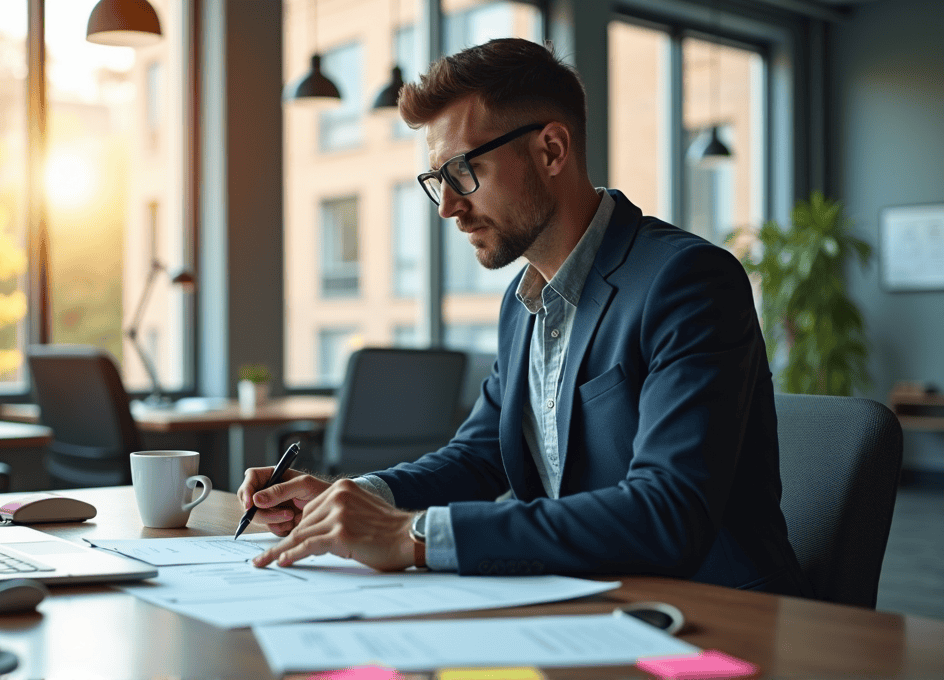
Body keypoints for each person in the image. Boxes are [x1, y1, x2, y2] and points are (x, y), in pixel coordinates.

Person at [241, 37, 810, 596]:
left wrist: (414, 535)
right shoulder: (524, 304)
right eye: (436, 180)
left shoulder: (686, 282)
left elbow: (667, 510)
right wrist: (358, 496)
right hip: (586, 602)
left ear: (551, 150)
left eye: (463, 170)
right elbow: (480, 455)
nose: (448, 207)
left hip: (717, 618)